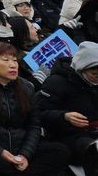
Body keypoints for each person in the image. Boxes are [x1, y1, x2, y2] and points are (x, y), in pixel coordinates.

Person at [0, 42, 70, 175]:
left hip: (21, 146)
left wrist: (25, 154)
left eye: (14, 60)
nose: (13, 65)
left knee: (60, 150)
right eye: (5, 60)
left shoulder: (27, 87)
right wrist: (2, 152)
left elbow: (34, 125)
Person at [37, 41, 98, 173]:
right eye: (95, 75)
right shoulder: (56, 82)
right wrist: (64, 116)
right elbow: (37, 114)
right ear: (82, 68)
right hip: (67, 137)